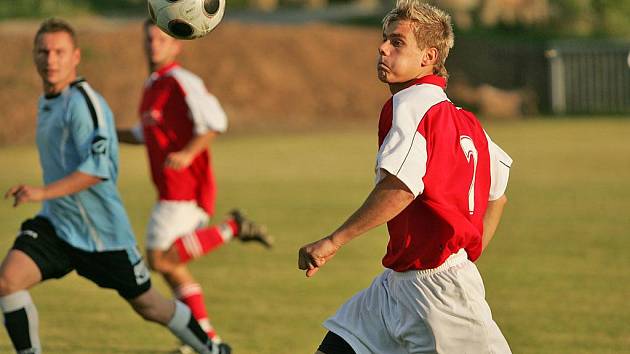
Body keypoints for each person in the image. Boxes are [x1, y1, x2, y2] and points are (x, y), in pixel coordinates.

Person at [0, 18, 230, 354]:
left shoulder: (82, 103)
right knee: (8, 281)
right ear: (34, 56)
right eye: (43, 51)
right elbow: (135, 135)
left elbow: (99, 169)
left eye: (59, 52)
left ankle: (212, 350)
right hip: (58, 224)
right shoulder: (46, 101)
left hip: (101, 234)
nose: (51, 59)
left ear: (75, 56)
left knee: (151, 305)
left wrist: (41, 192)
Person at [298, 1, 513, 353]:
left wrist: (333, 241)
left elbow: (401, 188)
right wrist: (464, 256)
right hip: (398, 285)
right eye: (384, 39)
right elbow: (497, 196)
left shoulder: (412, 104)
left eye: (397, 42)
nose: (382, 48)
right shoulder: (466, 121)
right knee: (339, 344)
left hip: (440, 296)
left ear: (428, 57)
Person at [116, 19, 273, 352]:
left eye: (160, 39)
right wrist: (106, 132)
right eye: (149, 39)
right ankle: (206, 341)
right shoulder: (152, 86)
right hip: (169, 189)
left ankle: (233, 227)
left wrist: (188, 153)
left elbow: (217, 121)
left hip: (187, 188)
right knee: (173, 270)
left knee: (159, 260)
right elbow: (144, 135)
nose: (153, 44)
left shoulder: (181, 80)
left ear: (177, 45)